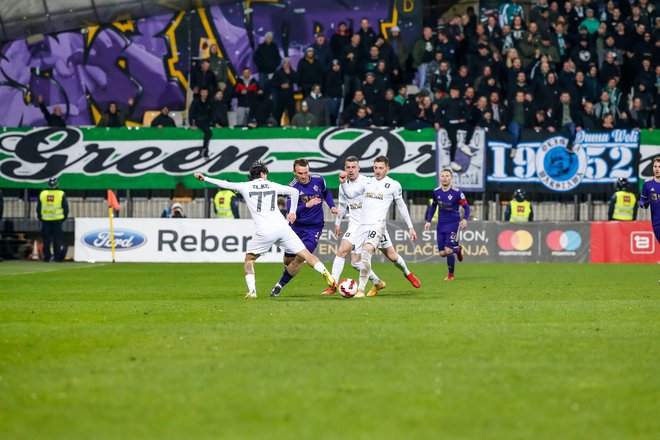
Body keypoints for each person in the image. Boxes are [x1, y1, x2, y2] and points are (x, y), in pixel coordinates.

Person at [195, 163, 335, 298]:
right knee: (306, 255)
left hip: (265, 231)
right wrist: (292, 212)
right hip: (282, 227)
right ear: (263, 174)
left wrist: (205, 178)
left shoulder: (244, 186)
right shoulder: (271, 185)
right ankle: (328, 276)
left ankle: (252, 292)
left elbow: (225, 184)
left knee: (249, 261)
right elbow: (294, 191)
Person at [323, 156, 420, 296]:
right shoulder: (367, 182)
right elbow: (350, 195)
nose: (378, 171)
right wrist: (343, 183)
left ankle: (406, 274)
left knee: (390, 256)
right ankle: (376, 283)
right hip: (363, 226)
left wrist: (410, 226)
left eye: (381, 168)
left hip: (378, 226)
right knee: (356, 261)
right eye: (375, 168)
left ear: (388, 169)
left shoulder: (393, 185)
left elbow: (402, 206)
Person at [269, 159, 339, 297]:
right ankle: (288, 271)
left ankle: (279, 285)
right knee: (288, 260)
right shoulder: (292, 187)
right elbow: (290, 210)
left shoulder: (319, 180)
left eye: (306, 172)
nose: (304, 175)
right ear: (295, 172)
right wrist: (307, 205)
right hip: (296, 228)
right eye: (300, 173)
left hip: (314, 228)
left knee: (301, 258)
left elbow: (326, 193)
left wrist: (332, 206)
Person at [424, 168, 469, 281]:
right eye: (442, 176)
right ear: (440, 178)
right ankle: (457, 250)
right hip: (441, 224)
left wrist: (465, 219)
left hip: (453, 224)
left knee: (448, 250)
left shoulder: (457, 192)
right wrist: (429, 220)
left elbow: (466, 207)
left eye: (447, 176)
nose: (444, 178)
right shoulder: (436, 192)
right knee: (442, 253)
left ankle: (450, 275)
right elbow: (433, 206)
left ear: (451, 178)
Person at [37, 177, 68, 262]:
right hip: (57, 220)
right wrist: (64, 217)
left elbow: (38, 207)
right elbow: (65, 207)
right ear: (57, 184)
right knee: (56, 240)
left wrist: (40, 216)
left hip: (45, 220)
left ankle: (47, 257)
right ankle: (57, 258)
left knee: (46, 240)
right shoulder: (61, 193)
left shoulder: (43, 193)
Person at [639, 157, 660, 246]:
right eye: (655, 166)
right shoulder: (647, 184)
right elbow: (642, 202)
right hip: (656, 221)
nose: (657, 169)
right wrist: (644, 203)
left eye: (659, 167)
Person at [189, 87, 213, 158]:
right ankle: (205, 149)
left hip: (207, 121)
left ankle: (205, 149)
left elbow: (211, 113)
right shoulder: (196, 101)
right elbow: (191, 112)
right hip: (198, 121)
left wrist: (214, 122)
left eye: (206, 92)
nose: (204, 94)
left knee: (208, 131)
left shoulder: (209, 102)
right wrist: (191, 124)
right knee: (208, 132)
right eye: (203, 92)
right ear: (200, 93)